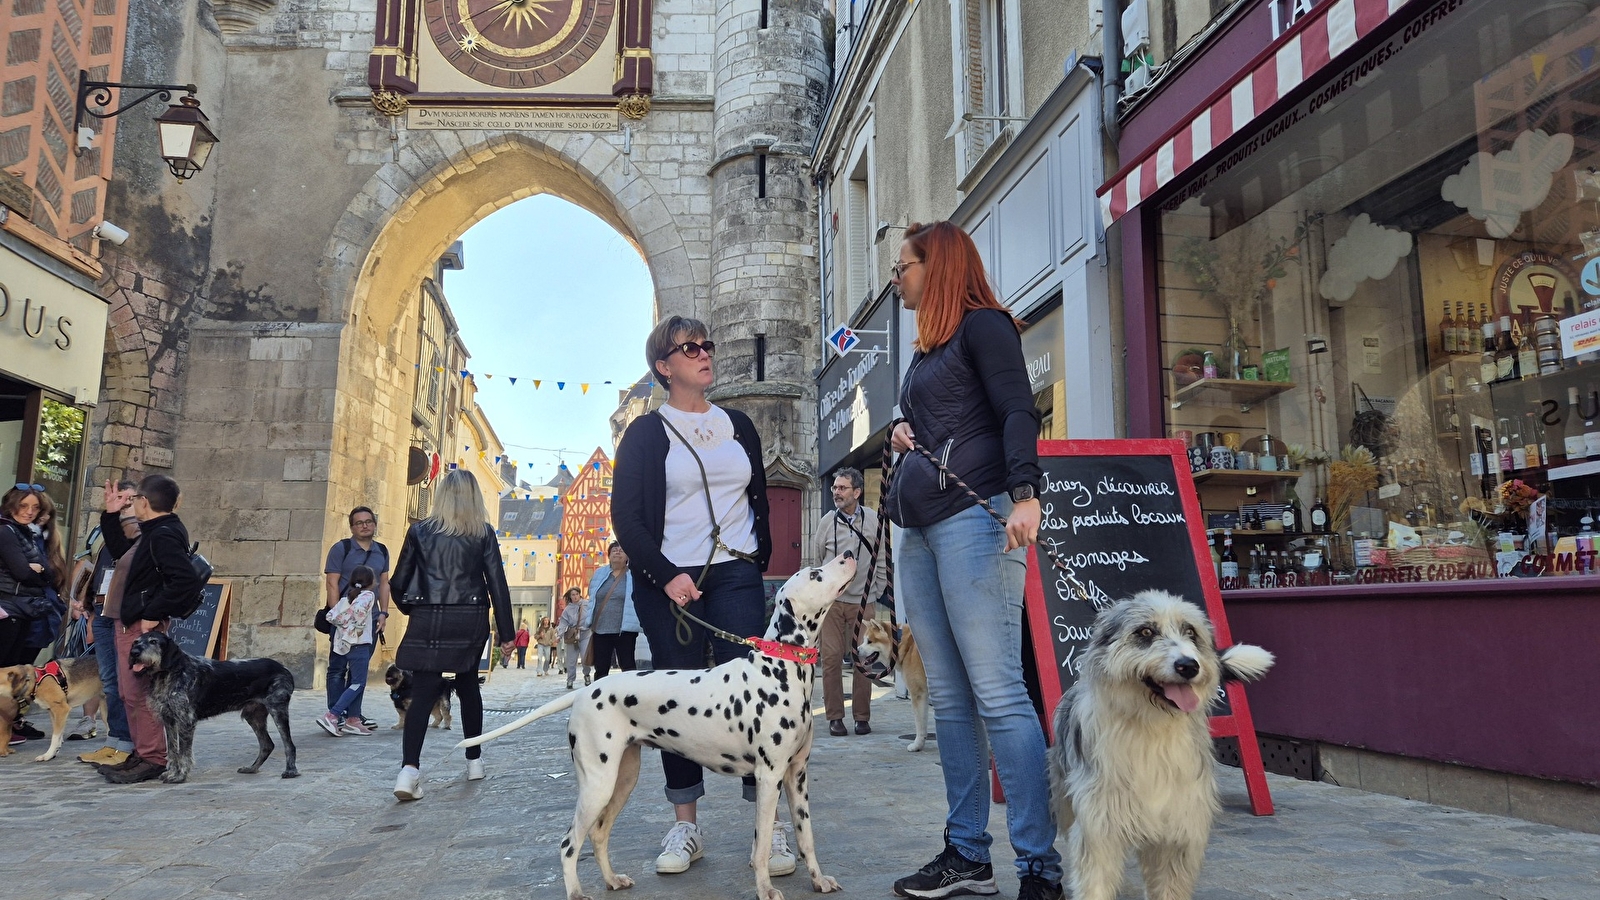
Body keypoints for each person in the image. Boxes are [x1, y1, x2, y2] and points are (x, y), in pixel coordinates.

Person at [884, 221, 1062, 900]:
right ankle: (967, 855)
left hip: (975, 519)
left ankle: (1041, 867)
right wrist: (904, 434)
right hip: (920, 529)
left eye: (903, 266)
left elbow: (1020, 410)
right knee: (953, 700)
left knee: (999, 694)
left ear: (940, 265)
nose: (896, 278)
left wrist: (1026, 493)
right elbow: (943, 422)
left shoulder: (986, 326)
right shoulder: (928, 349)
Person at [612, 314, 794, 878]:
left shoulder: (739, 424)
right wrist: (666, 574)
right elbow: (628, 518)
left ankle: (771, 827)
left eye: (705, 344)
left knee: (753, 696)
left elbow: (757, 497)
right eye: (688, 348)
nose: (703, 353)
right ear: (664, 368)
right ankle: (685, 823)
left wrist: (757, 555)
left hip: (736, 573)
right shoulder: (646, 433)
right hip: (672, 580)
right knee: (678, 696)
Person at [388, 468, 515, 800]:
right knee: (469, 686)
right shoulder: (482, 533)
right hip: (468, 616)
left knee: (425, 689)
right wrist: (507, 633)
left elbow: (398, 582)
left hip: (429, 616)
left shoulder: (419, 532)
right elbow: (497, 585)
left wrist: (412, 608)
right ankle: (474, 761)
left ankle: (409, 771)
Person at [100, 474, 204, 785]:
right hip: (132, 619)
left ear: (145, 502)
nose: (131, 505)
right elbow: (122, 552)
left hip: (142, 625)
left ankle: (153, 758)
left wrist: (152, 613)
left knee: (139, 694)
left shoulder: (164, 534)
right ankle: (144, 753)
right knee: (128, 692)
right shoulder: (154, 531)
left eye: (134, 500)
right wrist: (110, 514)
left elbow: (184, 580)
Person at [813, 467, 887, 737]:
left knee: (863, 660)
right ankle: (834, 717)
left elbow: (880, 558)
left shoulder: (873, 520)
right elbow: (819, 559)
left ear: (857, 492)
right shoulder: (826, 522)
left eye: (842, 488)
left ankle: (862, 717)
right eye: (834, 487)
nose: (836, 492)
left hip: (862, 603)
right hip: (832, 604)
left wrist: (875, 591)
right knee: (831, 659)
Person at [76, 482, 139, 767]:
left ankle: (126, 743)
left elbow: (121, 554)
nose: (123, 502)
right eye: (119, 497)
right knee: (110, 682)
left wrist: (114, 516)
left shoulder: (140, 530)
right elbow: (97, 569)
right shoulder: (107, 529)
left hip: (120, 613)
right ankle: (114, 741)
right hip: (101, 609)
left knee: (123, 682)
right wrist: (88, 606)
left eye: (129, 498)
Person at [322, 507, 392, 731]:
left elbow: (384, 584)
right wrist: (339, 617)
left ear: (374, 524)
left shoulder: (382, 550)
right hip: (343, 621)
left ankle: (353, 716)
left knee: (358, 670)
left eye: (369, 521)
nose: (365, 525)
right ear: (352, 527)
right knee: (337, 668)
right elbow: (332, 583)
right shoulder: (341, 549)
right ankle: (336, 713)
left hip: (369, 622)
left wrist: (383, 612)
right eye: (359, 522)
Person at [317, 564, 379, 736]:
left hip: (348, 645)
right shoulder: (368, 596)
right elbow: (357, 614)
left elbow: (331, 615)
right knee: (358, 683)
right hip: (359, 644)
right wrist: (354, 628)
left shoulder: (348, 597)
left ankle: (353, 719)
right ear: (371, 581)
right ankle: (333, 715)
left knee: (356, 682)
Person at [584, 542, 640, 679]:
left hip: (624, 630)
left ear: (627, 556)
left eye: (621, 550)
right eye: (614, 550)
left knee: (628, 667)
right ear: (609, 555)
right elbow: (592, 598)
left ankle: (630, 695)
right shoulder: (599, 574)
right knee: (601, 669)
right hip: (601, 629)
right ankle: (600, 697)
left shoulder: (633, 575)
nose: (617, 552)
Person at [554, 587, 591, 688]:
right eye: (573, 595)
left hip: (585, 633)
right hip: (572, 635)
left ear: (580, 594)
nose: (575, 596)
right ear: (570, 597)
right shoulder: (567, 609)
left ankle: (587, 675)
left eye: (576, 594)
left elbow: (593, 616)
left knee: (585, 658)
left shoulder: (587, 604)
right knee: (571, 660)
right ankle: (570, 679)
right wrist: (559, 635)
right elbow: (563, 623)